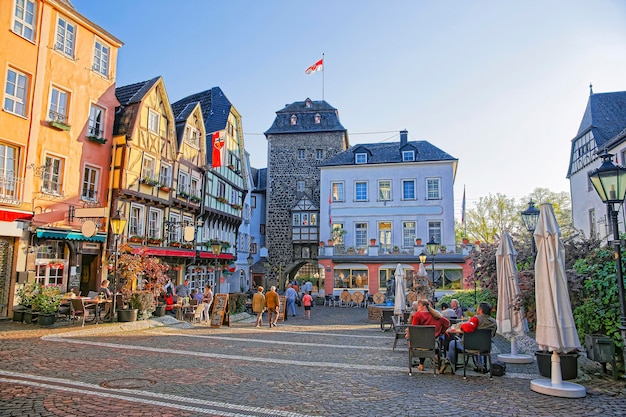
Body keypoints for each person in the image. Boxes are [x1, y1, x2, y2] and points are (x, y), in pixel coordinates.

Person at [445, 301, 497, 373]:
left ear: (480, 310)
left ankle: (452, 365)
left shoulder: (476, 319)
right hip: (485, 346)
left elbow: (469, 328)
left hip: (470, 346)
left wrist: (462, 325)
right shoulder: (493, 321)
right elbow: (493, 334)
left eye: (478, 308)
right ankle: (480, 365)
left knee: (452, 343)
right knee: (479, 342)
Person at [410, 299, 450, 371]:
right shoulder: (436, 315)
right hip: (433, 343)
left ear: (423, 306)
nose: (417, 307)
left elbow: (414, 330)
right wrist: (441, 332)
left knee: (420, 341)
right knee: (431, 343)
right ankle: (438, 358)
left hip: (420, 343)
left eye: (419, 305)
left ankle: (421, 364)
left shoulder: (418, 315)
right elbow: (447, 323)